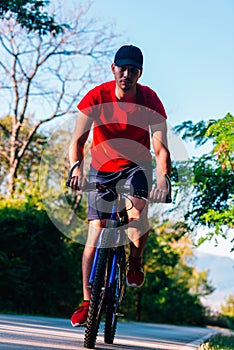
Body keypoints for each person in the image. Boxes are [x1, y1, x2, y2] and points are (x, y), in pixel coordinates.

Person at [68, 45, 172, 327]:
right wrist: (76, 168)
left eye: (133, 70)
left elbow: (161, 147)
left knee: (137, 217)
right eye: (121, 68)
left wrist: (163, 177)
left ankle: (135, 260)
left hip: (136, 168)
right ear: (113, 68)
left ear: (140, 73)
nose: (126, 74)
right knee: (94, 235)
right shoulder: (97, 97)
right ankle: (88, 301)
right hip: (101, 169)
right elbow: (77, 142)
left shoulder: (150, 100)